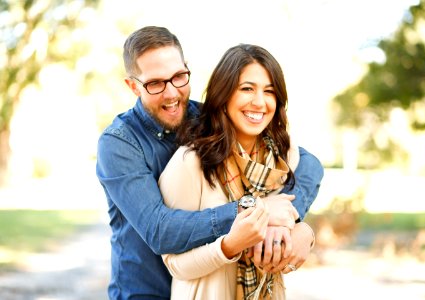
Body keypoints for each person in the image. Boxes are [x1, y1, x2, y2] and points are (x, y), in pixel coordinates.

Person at [96, 26, 324, 300]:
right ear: (133, 86)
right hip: (145, 291)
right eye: (155, 83)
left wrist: (291, 221)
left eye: (179, 77)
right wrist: (253, 211)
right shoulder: (119, 143)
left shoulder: (209, 119)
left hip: (212, 285)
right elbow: (159, 230)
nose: (171, 94)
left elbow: (308, 163)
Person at [159, 44, 318, 299]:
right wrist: (230, 244)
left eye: (269, 91)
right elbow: (175, 263)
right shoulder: (191, 163)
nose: (259, 102)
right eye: (247, 89)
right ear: (224, 96)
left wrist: (304, 232)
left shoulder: (284, 157)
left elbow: (289, 216)